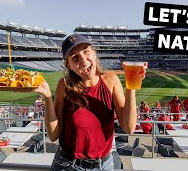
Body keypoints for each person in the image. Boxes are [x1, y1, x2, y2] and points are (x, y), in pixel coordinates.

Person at [34, 34, 147, 171]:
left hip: (103, 165)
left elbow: (129, 128)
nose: (82, 59)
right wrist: (47, 97)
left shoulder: (111, 80)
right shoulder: (64, 85)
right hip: (67, 165)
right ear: (68, 65)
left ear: (94, 53)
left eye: (86, 51)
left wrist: (131, 86)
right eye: (75, 57)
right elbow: (53, 135)